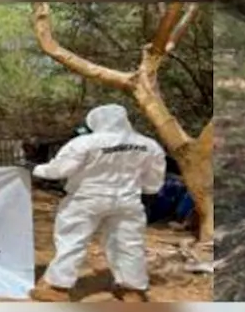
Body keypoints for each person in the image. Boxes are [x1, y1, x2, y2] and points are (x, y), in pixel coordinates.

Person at [30, 104, 166, 302]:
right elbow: (153, 183)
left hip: (86, 199)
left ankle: (56, 287)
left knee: (72, 240)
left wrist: (35, 169)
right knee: (128, 244)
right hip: (128, 201)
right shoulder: (149, 145)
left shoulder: (84, 143)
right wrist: (141, 188)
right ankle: (132, 290)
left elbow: (59, 170)